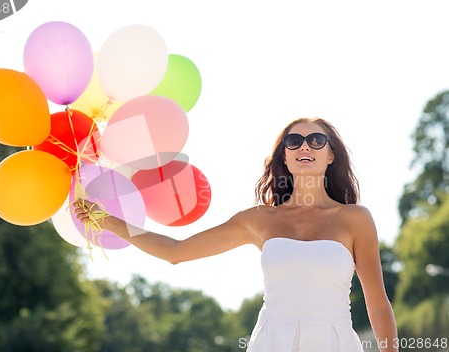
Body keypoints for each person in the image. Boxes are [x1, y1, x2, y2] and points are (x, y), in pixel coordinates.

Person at [75, 117, 398, 352]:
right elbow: (176, 251)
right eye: (293, 140)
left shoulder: (355, 219)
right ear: (284, 156)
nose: (304, 146)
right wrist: (111, 222)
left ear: (331, 155)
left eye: (316, 140)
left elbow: (378, 303)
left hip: (335, 342)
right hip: (272, 343)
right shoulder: (258, 220)